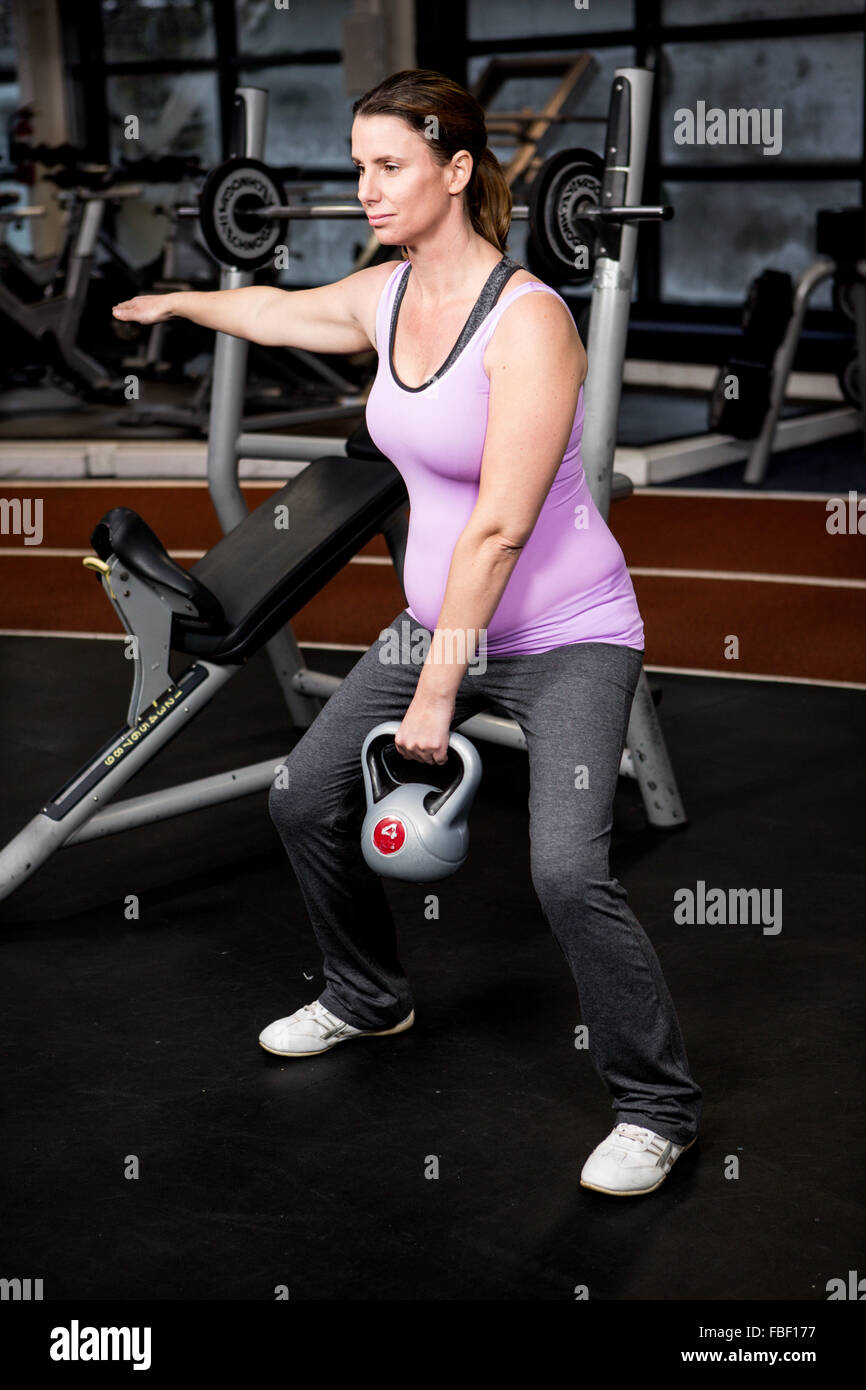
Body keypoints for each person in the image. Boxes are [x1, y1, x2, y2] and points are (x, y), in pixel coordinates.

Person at [112, 68, 702, 1197]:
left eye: (388, 166)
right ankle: (366, 993)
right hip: (436, 622)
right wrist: (184, 302)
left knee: (567, 869)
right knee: (300, 795)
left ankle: (656, 1106)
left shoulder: (531, 324)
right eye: (358, 166)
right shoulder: (385, 295)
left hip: (565, 632)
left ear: (457, 169)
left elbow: (496, 530)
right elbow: (284, 311)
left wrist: (437, 687)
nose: (365, 188)